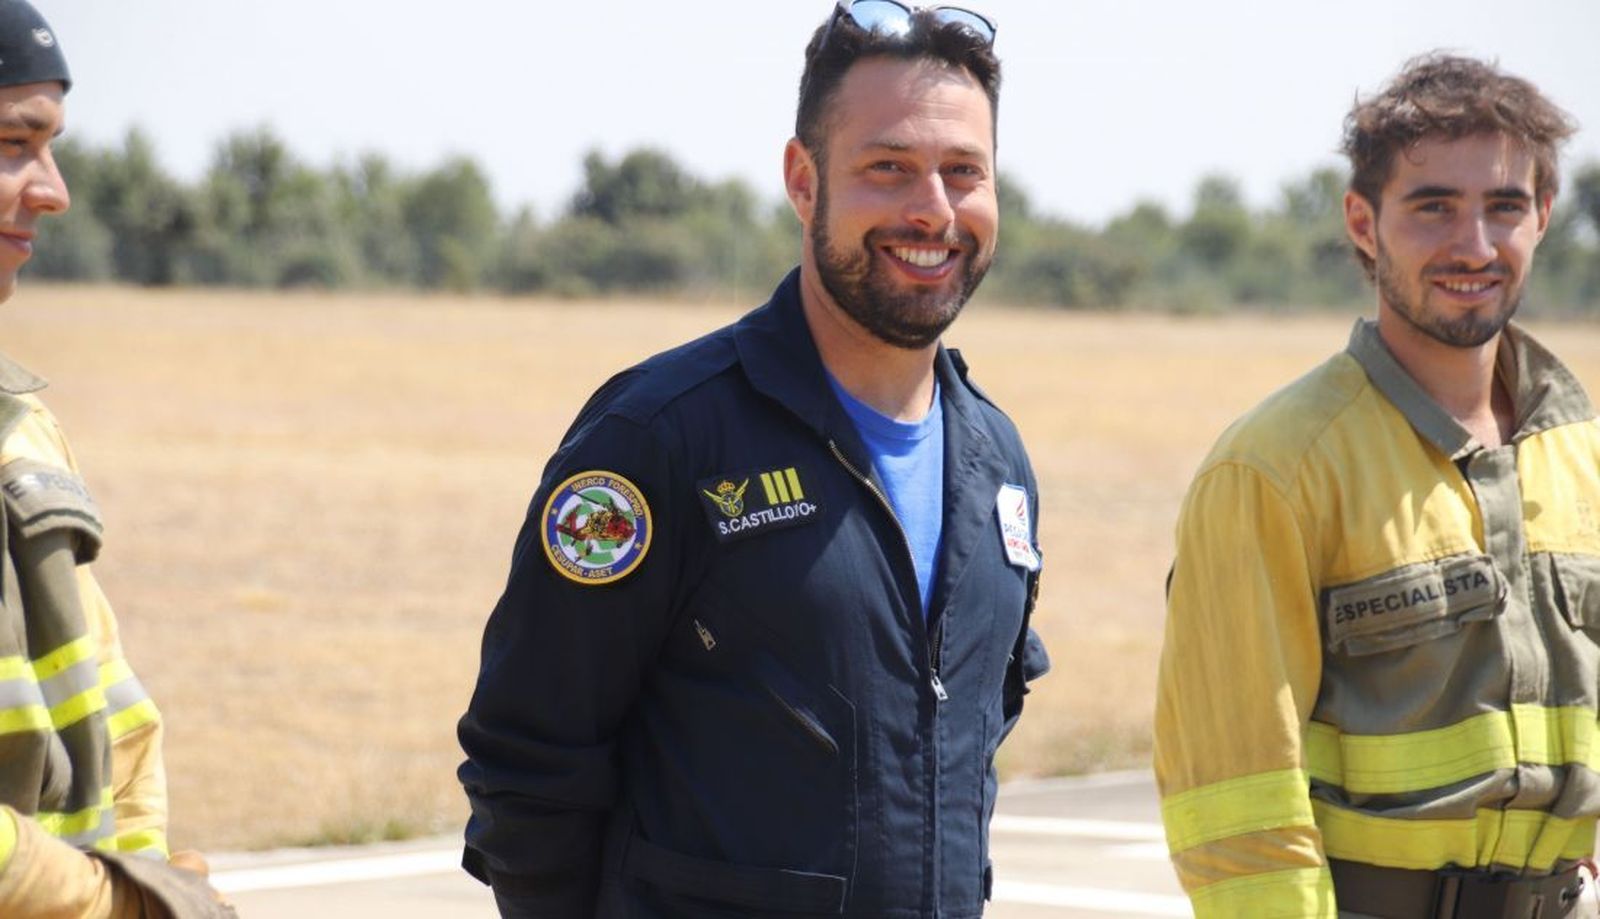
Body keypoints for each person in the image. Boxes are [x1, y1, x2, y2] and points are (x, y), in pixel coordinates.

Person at [458, 2, 1049, 916]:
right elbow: (527, 763)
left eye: (963, 172)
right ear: (803, 181)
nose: (933, 209)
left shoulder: (997, 462)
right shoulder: (660, 439)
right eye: (888, 167)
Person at [1154, 53, 1600, 918]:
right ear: (1363, 222)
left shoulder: (1584, 456)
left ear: (1543, 216)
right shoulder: (1273, 468)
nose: (1473, 246)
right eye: (1433, 207)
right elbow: (1237, 806)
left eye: (1503, 206)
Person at [0, 2, 230, 916]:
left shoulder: (18, 419)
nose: (52, 190)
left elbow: (116, 719)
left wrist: (150, 880)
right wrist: (114, 901)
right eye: (16, 142)